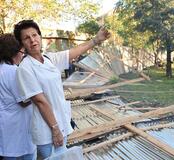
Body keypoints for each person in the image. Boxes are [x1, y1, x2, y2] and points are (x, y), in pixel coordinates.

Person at [13, 20, 110, 159]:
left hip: (61, 123)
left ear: (40, 36)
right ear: (22, 44)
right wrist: (55, 129)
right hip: (47, 130)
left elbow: (72, 52)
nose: (32, 40)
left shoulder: (49, 58)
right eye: (26, 38)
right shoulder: (25, 68)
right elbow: (40, 102)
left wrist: (95, 40)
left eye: (34, 35)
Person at [0, 33, 36, 160]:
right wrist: (37, 96)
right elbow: (23, 101)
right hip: (17, 126)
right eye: (22, 51)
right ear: (15, 52)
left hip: (6, 123)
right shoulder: (13, 71)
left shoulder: (2, 68)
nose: (23, 54)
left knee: (8, 154)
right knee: (27, 154)